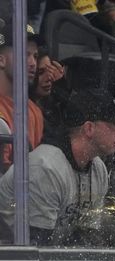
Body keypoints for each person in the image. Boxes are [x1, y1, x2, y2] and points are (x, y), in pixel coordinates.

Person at [0, 88, 115, 245]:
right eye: (114, 125)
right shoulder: (45, 167)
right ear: (89, 128)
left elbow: (88, 237)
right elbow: (35, 249)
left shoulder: (98, 168)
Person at [0, 21, 45, 173]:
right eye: (24, 54)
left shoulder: (34, 110)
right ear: (1, 60)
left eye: (35, 56)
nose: (33, 63)